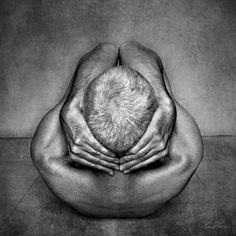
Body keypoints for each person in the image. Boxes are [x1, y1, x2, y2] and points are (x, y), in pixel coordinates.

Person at [31, 41, 203, 218]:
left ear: (81, 118)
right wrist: (166, 101)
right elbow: (131, 49)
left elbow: (106, 50)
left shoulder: (47, 159)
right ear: (156, 120)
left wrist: (71, 101)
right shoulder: (185, 160)